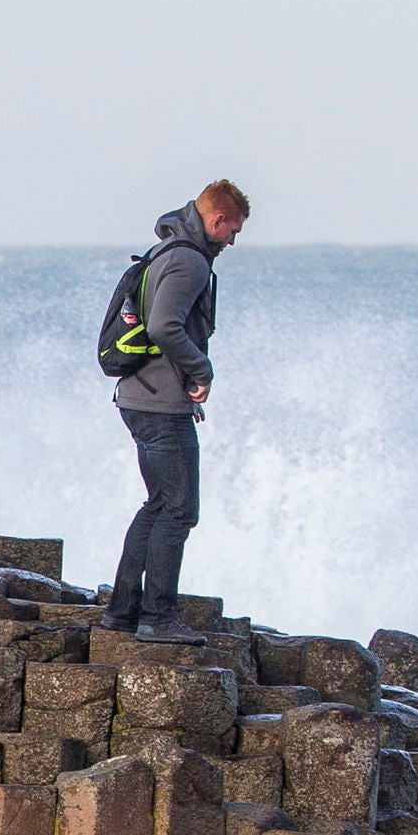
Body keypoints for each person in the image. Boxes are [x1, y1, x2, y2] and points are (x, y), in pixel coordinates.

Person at [99, 179, 249, 640]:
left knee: (159, 504)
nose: (232, 242)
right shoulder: (189, 261)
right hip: (158, 405)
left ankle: (123, 612)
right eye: (233, 231)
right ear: (217, 220)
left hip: (141, 398)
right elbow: (165, 326)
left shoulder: (166, 249)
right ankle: (158, 617)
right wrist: (201, 371)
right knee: (180, 510)